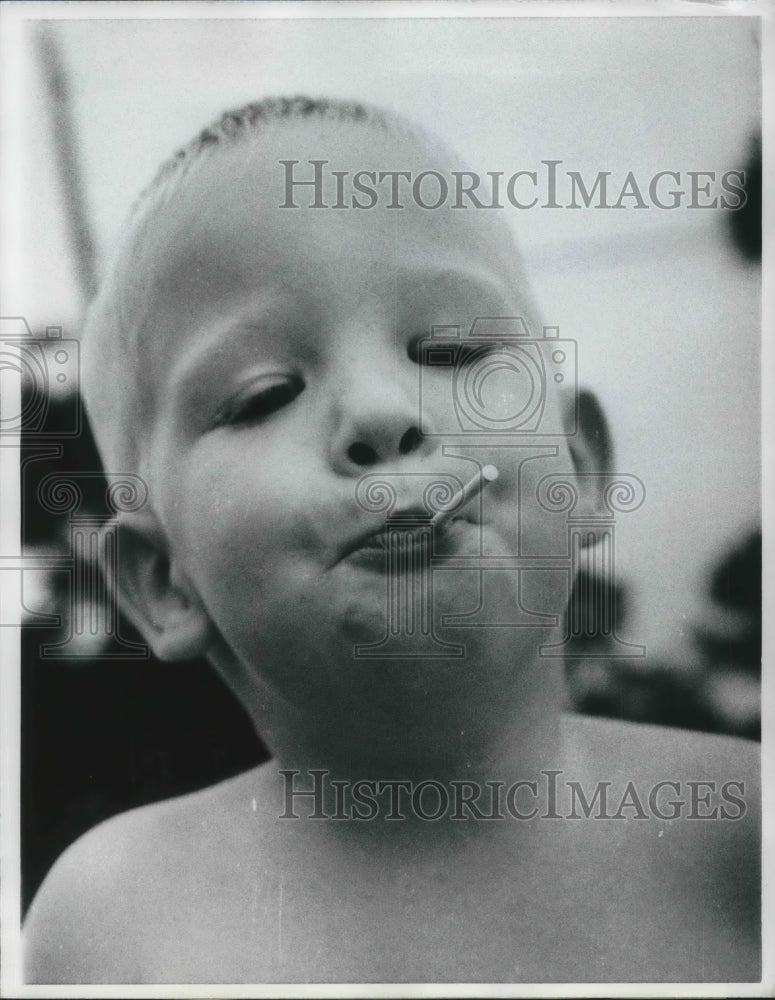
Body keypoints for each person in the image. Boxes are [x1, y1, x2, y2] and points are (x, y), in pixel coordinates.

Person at [23, 97, 760, 985]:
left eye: (447, 350)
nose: (379, 412)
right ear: (162, 585)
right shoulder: (116, 918)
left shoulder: (739, 835)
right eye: (263, 396)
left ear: (579, 470)